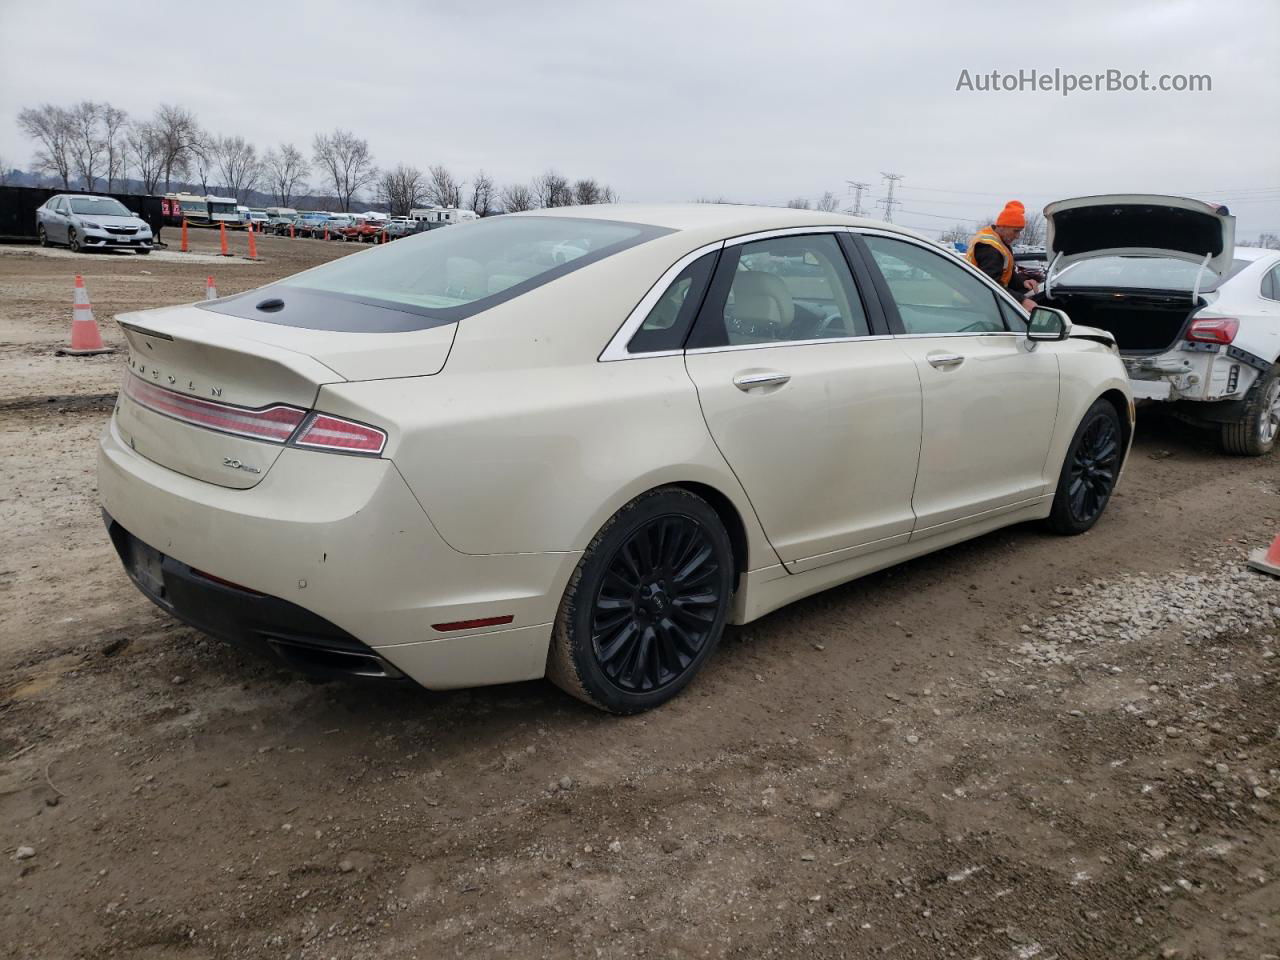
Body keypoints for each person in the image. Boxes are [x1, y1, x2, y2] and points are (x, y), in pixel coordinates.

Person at [966, 201, 1037, 310]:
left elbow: (1006, 274)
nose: (1018, 236)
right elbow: (989, 284)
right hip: (972, 304)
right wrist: (1021, 300)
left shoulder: (998, 241)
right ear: (1003, 226)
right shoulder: (990, 248)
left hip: (981, 300)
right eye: (1016, 231)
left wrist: (1023, 283)